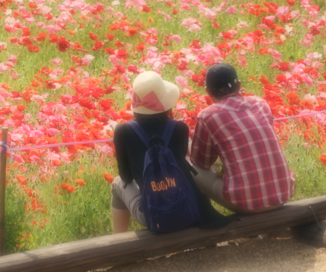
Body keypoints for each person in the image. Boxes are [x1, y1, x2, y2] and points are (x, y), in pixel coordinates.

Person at [111, 71, 232, 233]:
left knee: (118, 182)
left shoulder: (123, 131)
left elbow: (126, 177)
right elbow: (179, 166)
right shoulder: (179, 128)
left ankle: (119, 243)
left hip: (154, 215)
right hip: (186, 206)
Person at [190, 63, 295, 214]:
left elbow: (201, 163)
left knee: (190, 167)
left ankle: (203, 217)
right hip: (282, 195)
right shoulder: (260, 103)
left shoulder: (208, 115)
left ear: (207, 91)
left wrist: (188, 148)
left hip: (246, 203)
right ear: (238, 85)